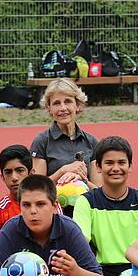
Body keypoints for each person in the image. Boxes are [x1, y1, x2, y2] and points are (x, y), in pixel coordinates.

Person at [73, 136, 138, 276]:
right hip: (102, 273)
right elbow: (80, 240)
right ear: (98, 167)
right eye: (109, 163)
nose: (116, 168)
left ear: (130, 166)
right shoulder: (86, 202)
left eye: (122, 163)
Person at [30, 78, 100, 211]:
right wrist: (62, 171)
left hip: (87, 212)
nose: (63, 108)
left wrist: (83, 180)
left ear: (77, 105)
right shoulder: (41, 142)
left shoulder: (92, 143)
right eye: (56, 103)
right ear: (49, 109)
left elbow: (99, 192)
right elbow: (35, 189)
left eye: (68, 101)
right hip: (54, 213)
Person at [0, 145, 33, 255]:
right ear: (2, 177)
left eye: (20, 170)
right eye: (8, 172)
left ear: (31, 173)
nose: (14, 178)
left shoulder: (51, 205)